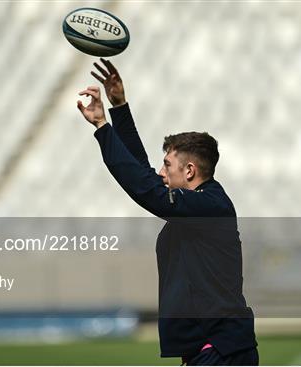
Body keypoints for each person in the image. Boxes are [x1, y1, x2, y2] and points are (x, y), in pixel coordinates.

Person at [77, 58, 258, 366]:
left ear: (190, 171)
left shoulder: (210, 205)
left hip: (221, 351)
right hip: (210, 351)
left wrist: (103, 128)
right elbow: (144, 176)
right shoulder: (194, 207)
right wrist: (119, 108)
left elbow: (145, 187)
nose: (161, 172)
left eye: (168, 165)